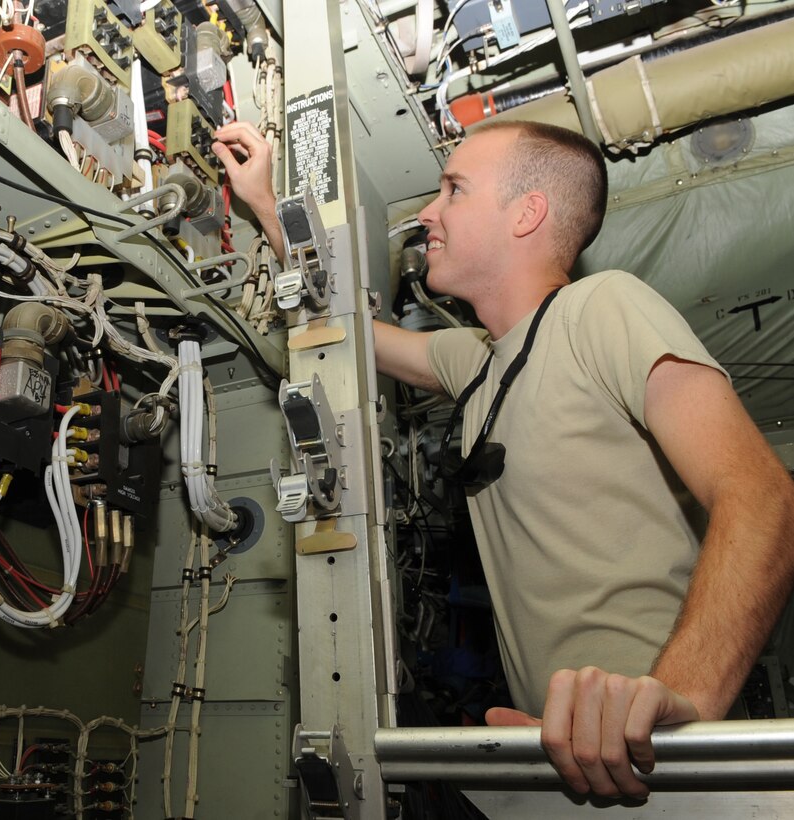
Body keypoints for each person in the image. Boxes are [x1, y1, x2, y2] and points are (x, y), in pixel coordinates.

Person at [212, 119, 794, 800]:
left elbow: (761, 497)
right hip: (561, 770)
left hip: (658, 766)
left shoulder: (601, 309)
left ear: (527, 212)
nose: (427, 212)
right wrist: (265, 207)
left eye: (454, 189)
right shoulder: (480, 364)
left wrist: (681, 702)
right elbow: (347, 331)